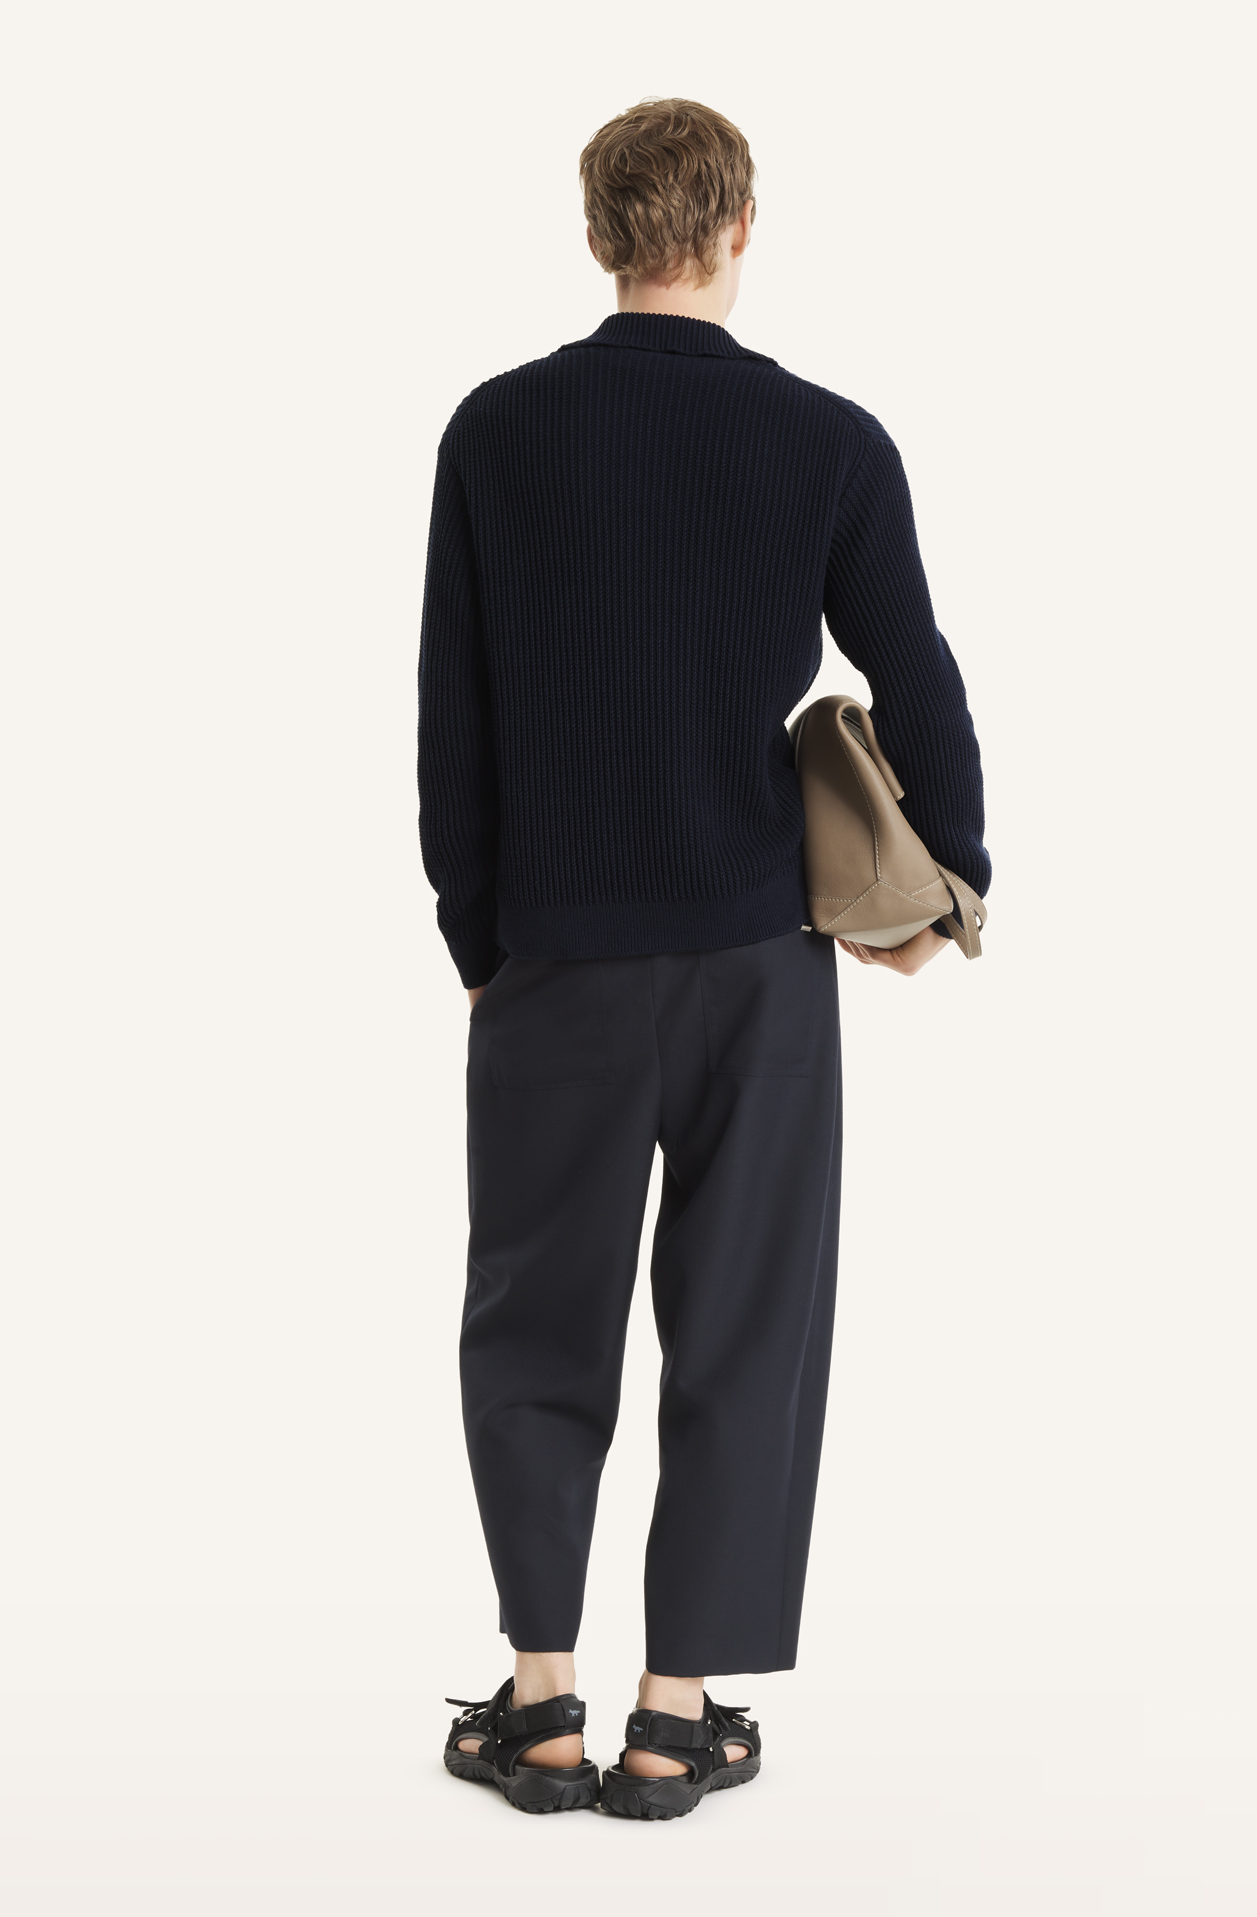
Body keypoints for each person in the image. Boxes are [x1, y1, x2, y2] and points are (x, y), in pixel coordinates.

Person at [417, 97, 990, 1820]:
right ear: (740, 227)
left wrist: (475, 931)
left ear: (599, 232)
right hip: (754, 960)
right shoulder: (826, 440)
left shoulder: (497, 431)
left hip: (554, 958)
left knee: (534, 1319)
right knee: (745, 1325)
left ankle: (540, 1707)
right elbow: (917, 675)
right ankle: (674, 1720)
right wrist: (947, 884)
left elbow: (454, 715)